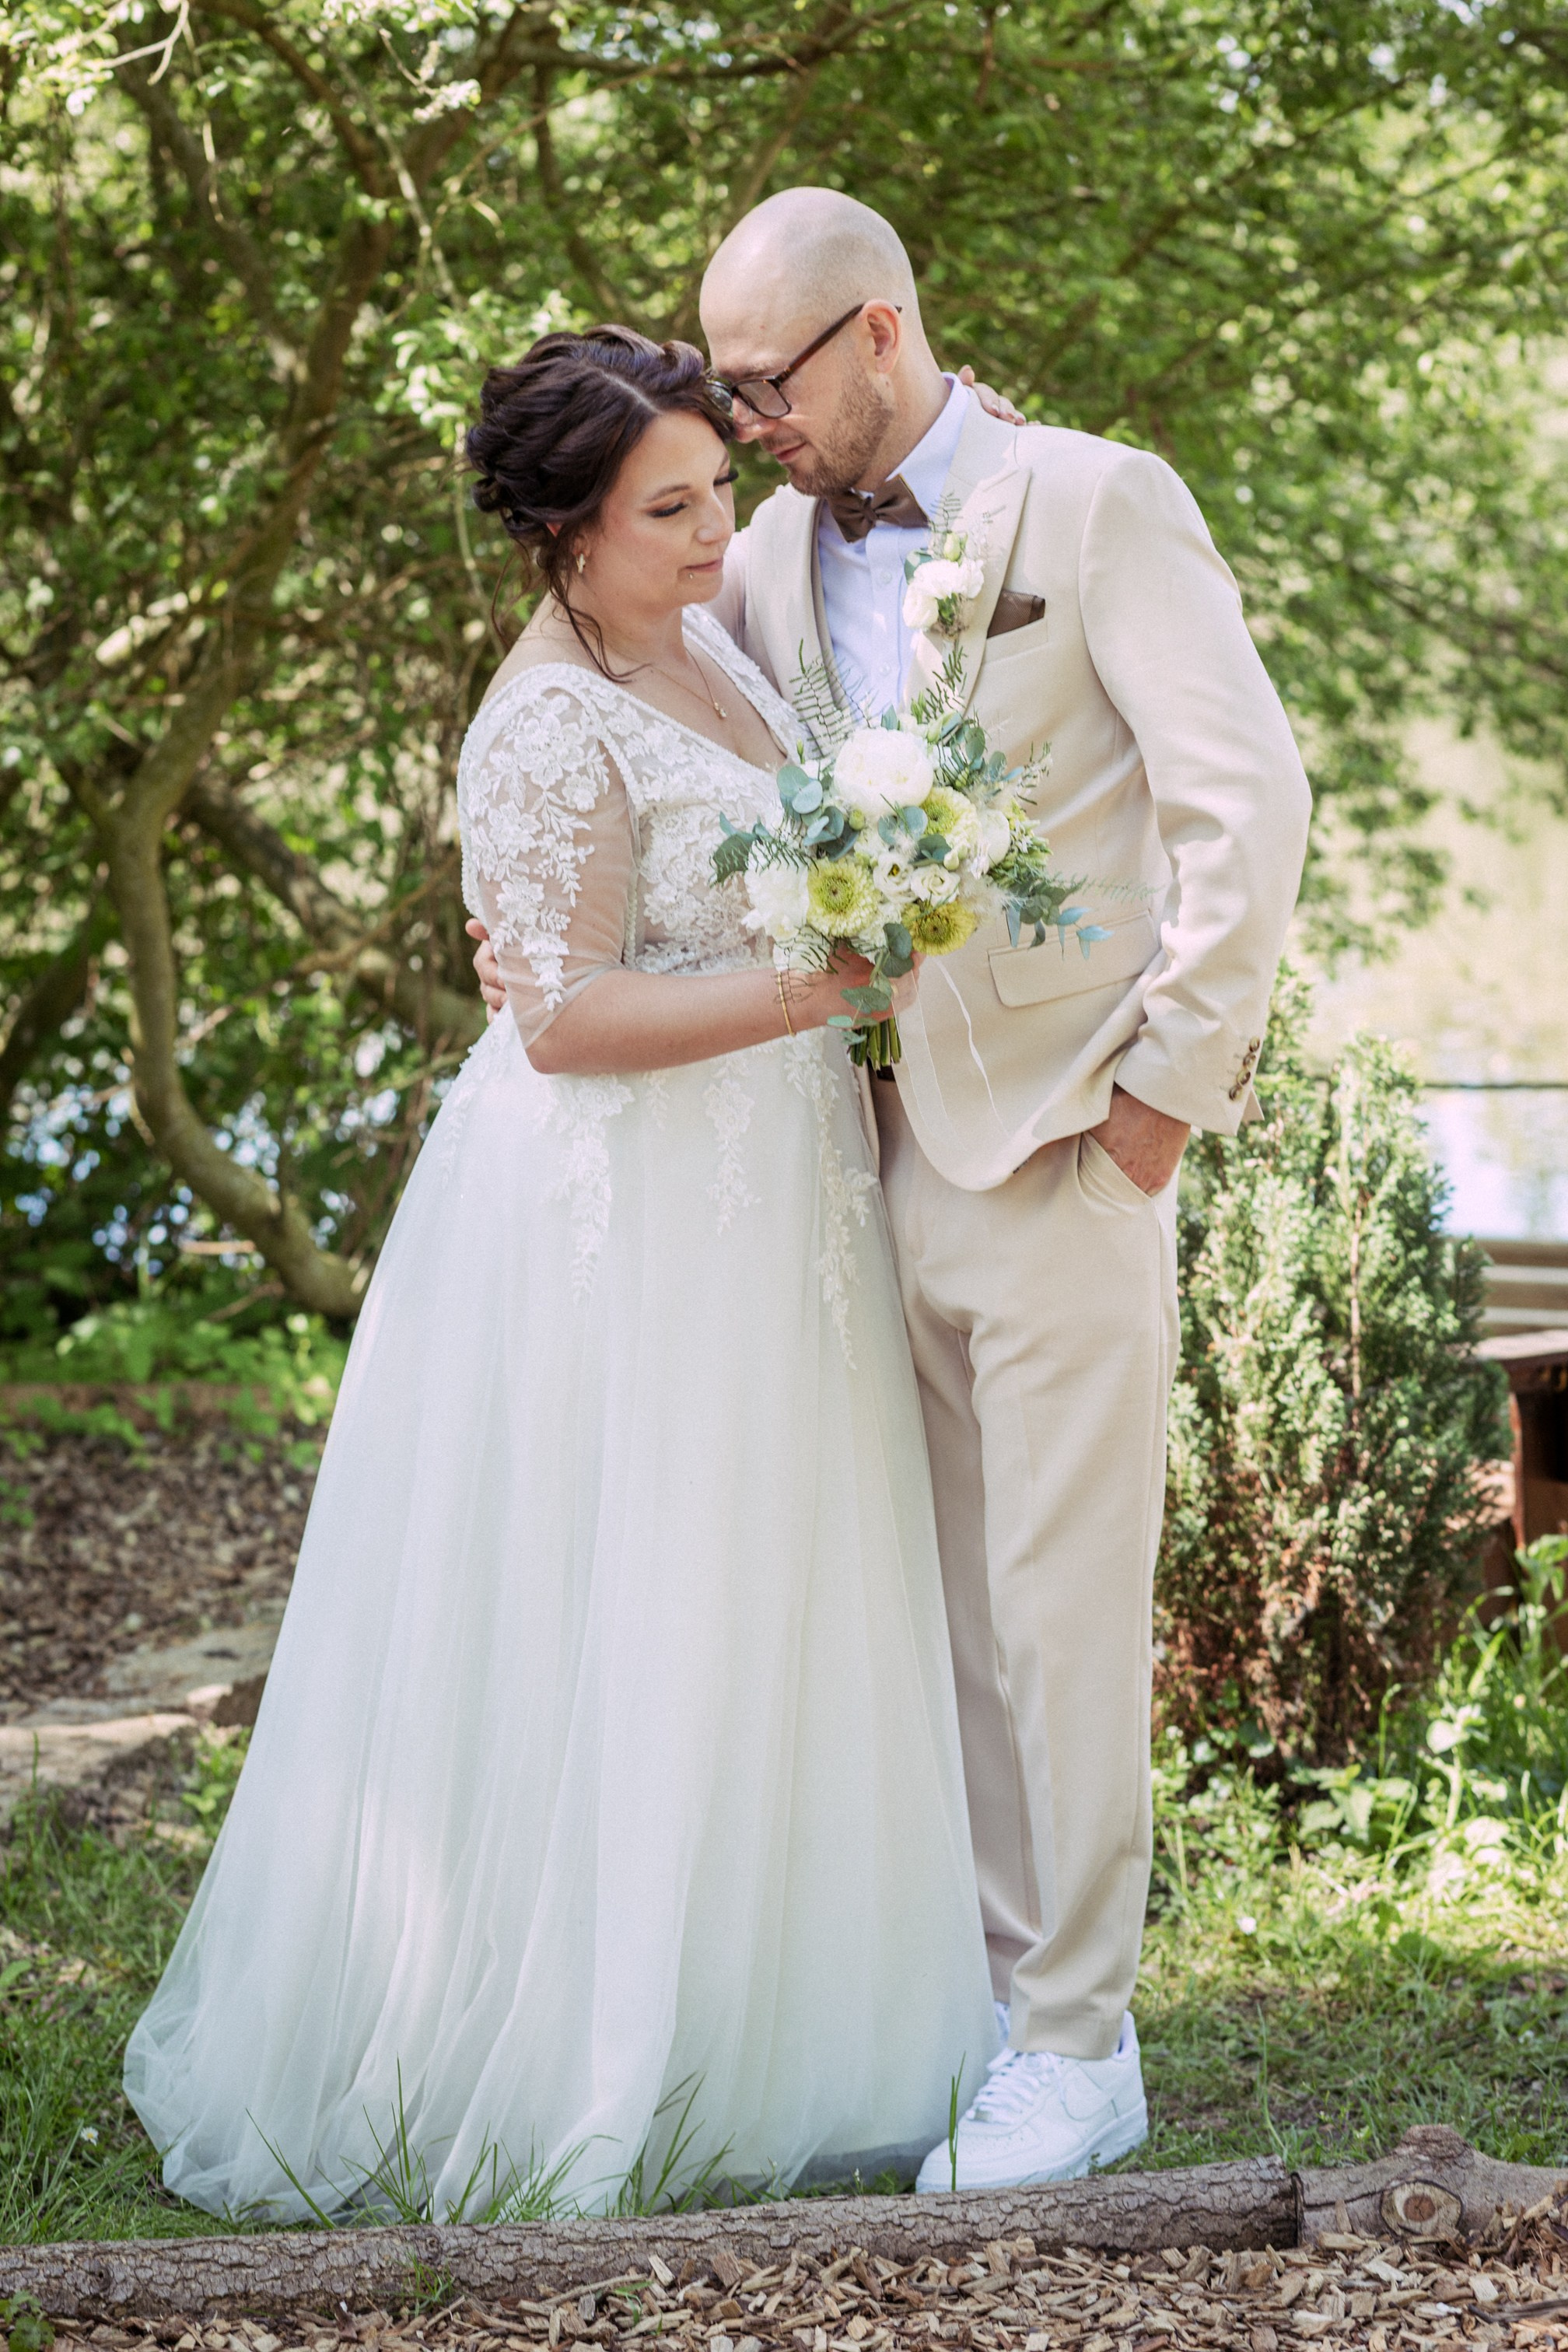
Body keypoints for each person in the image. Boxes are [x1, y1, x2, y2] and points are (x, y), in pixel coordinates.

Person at [474, 191, 1313, 2193]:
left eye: (763, 381)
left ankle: (1080, 2048)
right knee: (927, 1618)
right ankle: (978, 2010)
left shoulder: (1094, 502)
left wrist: (1161, 1105)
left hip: (1063, 1144)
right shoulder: (756, 551)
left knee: (1062, 1608)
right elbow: (666, 769)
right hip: (849, 1178)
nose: (743, 423)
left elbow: (1246, 801)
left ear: (873, 332)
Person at [123, 327, 998, 2222]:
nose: (716, 529)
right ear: (561, 535)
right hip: (629, 1220)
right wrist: (821, 989)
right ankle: (590, 2046)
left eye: (715, 489)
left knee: (779, 1580)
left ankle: (796, 2030)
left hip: (777, 1200)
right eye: (668, 508)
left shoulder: (704, 646)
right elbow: (564, 1018)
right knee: (634, 1585)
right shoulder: (538, 725)